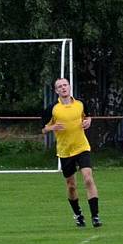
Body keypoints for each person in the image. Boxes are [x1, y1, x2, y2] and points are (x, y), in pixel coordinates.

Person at [42, 77, 102, 228]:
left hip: (82, 147)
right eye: (60, 86)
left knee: (88, 178)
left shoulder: (80, 104)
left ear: (69, 87)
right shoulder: (52, 108)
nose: (63, 88)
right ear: (56, 91)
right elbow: (43, 129)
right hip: (65, 151)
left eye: (65, 85)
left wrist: (89, 121)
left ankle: (95, 216)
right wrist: (52, 127)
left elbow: (88, 116)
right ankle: (78, 214)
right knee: (71, 186)